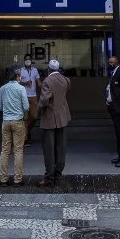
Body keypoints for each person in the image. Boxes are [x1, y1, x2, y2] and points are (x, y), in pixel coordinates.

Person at [37, 59, 71, 187]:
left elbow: (44, 100)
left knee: (49, 149)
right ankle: (58, 176)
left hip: (49, 118)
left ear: (49, 69)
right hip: (63, 118)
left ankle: (49, 177)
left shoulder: (47, 81)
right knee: (61, 148)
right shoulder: (66, 80)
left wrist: (38, 109)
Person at [0, 68, 29, 186]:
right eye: (20, 76)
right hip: (18, 121)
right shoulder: (21, 88)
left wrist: (7, 110)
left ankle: (3, 179)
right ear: (18, 76)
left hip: (6, 121)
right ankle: (17, 179)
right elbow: (26, 106)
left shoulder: (3, 88)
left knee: (5, 150)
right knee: (18, 150)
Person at [21, 58, 41, 145]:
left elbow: (38, 82)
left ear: (31, 61)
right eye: (26, 60)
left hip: (33, 96)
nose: (28, 61)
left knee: (34, 116)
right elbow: (16, 82)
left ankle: (27, 130)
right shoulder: (21, 70)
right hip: (23, 96)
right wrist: (25, 83)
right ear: (24, 61)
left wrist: (45, 87)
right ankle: (25, 138)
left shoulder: (35, 70)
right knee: (25, 118)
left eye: (29, 59)